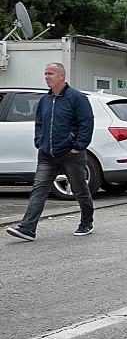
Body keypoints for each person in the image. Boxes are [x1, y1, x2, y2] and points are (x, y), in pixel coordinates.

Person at [7, 63, 95, 241]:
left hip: (71, 154)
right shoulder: (45, 100)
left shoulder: (77, 98)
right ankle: (27, 228)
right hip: (47, 154)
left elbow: (87, 123)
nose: (47, 77)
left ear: (61, 76)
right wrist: (39, 141)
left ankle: (87, 221)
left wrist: (78, 146)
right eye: (45, 73)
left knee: (79, 190)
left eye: (51, 73)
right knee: (39, 190)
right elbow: (39, 122)